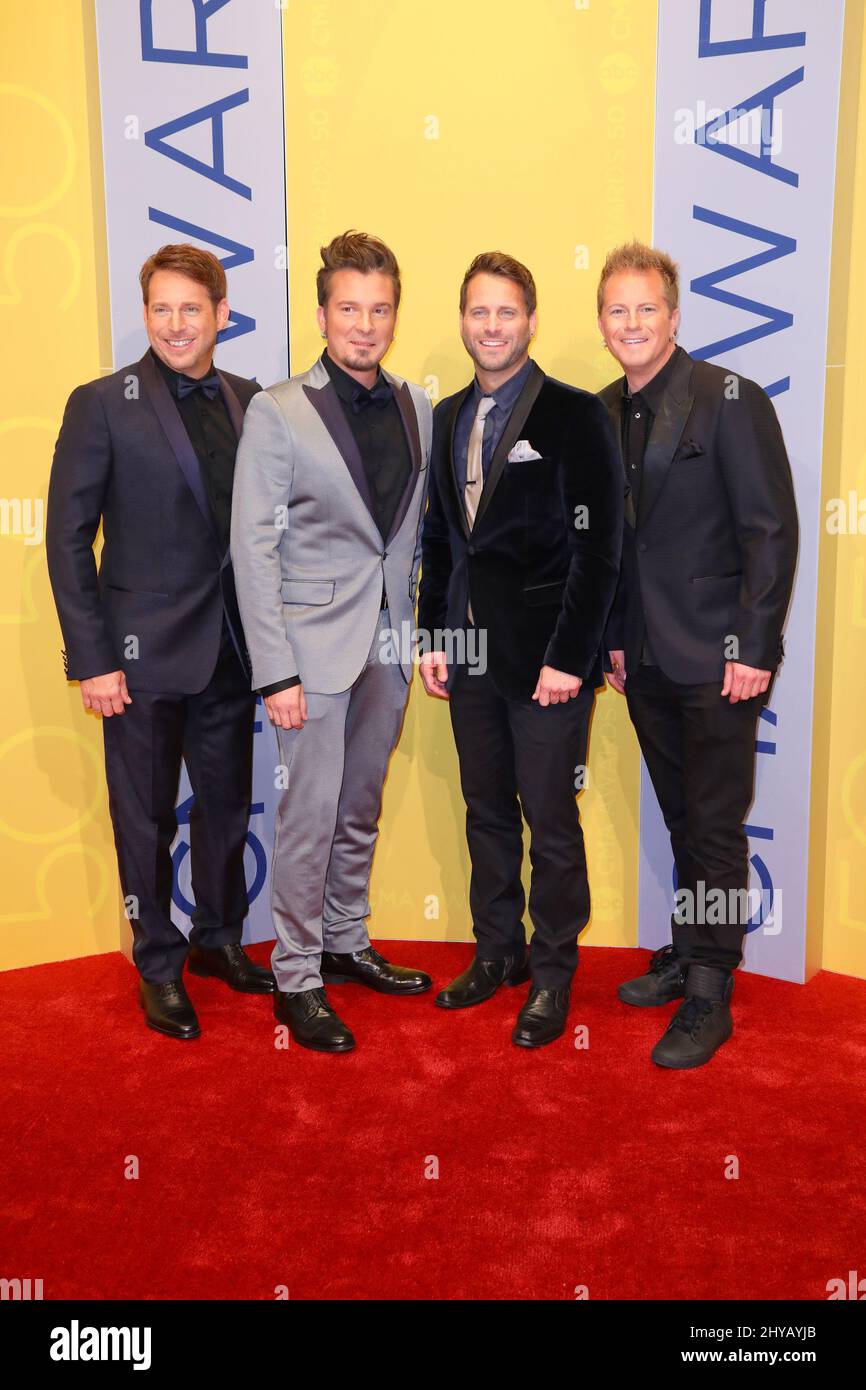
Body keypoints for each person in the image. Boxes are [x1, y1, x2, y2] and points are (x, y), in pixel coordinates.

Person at [46, 244, 273, 1041]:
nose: (176, 324)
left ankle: (219, 940)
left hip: (231, 654)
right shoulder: (103, 402)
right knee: (142, 819)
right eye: (161, 309)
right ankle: (157, 963)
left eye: (191, 308)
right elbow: (67, 538)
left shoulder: (253, 402)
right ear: (147, 316)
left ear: (221, 313)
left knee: (224, 810)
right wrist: (95, 658)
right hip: (136, 663)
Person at [231, 231, 433, 1054]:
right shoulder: (277, 411)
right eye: (349, 308)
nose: (365, 324)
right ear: (322, 314)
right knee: (309, 814)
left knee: (361, 805)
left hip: (387, 641)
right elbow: (254, 545)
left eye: (379, 309)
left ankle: (347, 940)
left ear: (393, 315)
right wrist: (274, 668)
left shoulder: (417, 405)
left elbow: (409, 540)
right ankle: (297, 975)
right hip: (308, 652)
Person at [598, 240, 799, 1068]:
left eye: (647, 308)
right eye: (617, 310)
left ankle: (711, 989)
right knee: (683, 819)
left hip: (722, 660)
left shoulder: (729, 397)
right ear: (603, 322)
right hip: (644, 660)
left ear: (673, 316)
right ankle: (691, 949)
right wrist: (613, 637)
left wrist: (754, 645)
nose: (633, 323)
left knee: (714, 827)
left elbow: (770, 529)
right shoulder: (603, 408)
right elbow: (612, 542)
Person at [417, 251, 623, 1048]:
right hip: (468, 657)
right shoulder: (446, 417)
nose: (491, 326)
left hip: (548, 667)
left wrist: (571, 657)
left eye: (506, 313)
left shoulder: (575, 416)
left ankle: (552, 972)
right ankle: (495, 952)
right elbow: (442, 538)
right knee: (485, 813)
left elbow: (599, 549)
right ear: (463, 320)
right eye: (479, 312)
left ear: (530, 322)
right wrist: (434, 636)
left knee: (550, 819)